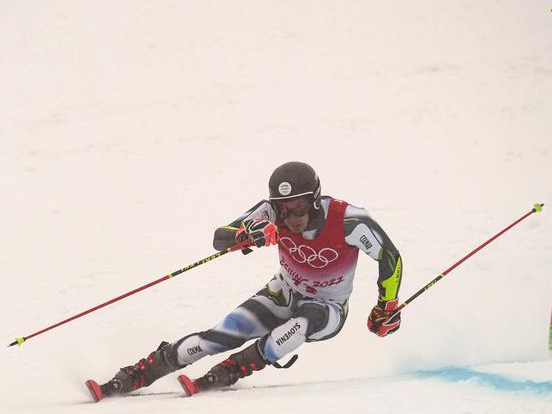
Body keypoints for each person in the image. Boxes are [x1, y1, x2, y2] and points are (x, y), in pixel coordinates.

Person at [86, 161, 403, 401]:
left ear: (315, 199)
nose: (290, 216)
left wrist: (386, 305)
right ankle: (138, 374)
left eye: (299, 207)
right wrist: (247, 234)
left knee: (303, 323)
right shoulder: (271, 213)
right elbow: (219, 237)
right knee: (218, 337)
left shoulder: (349, 221)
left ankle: (233, 368)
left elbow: (390, 258)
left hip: (329, 308)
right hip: (283, 293)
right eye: (283, 209)